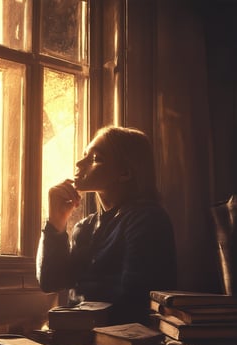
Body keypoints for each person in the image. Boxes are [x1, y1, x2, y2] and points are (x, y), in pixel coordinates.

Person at [36, 125, 177, 325]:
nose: (79, 162)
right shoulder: (84, 227)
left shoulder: (147, 219)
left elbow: (134, 302)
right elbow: (50, 282)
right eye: (85, 155)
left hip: (123, 342)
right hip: (81, 336)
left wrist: (68, 325)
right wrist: (55, 224)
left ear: (125, 173)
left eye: (95, 159)